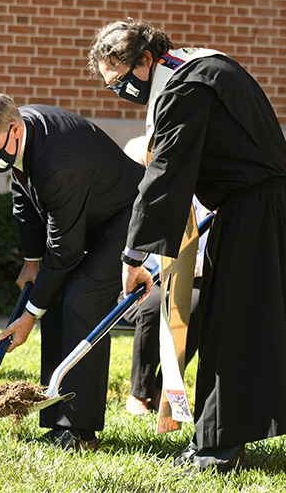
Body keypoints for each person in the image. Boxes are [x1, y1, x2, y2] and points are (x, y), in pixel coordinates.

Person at [88, 19, 286, 473]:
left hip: (254, 215)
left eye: (122, 80)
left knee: (232, 333)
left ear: (146, 60)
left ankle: (217, 451)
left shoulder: (184, 89)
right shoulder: (206, 64)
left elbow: (166, 177)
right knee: (240, 328)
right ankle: (219, 439)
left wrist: (133, 257)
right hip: (265, 209)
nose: (121, 91)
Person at [0, 92, 144, 451]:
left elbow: (64, 251)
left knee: (81, 298)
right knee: (57, 299)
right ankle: (58, 416)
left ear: (13, 130)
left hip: (127, 215)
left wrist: (28, 316)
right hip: (91, 210)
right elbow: (23, 198)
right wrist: (31, 260)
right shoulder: (14, 135)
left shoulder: (59, 166)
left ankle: (80, 431)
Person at [120, 136, 208, 417]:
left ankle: (165, 389)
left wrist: (193, 264)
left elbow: (205, 251)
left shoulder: (195, 200)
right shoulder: (129, 203)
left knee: (195, 307)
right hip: (141, 285)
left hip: (188, 280)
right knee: (151, 306)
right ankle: (139, 393)